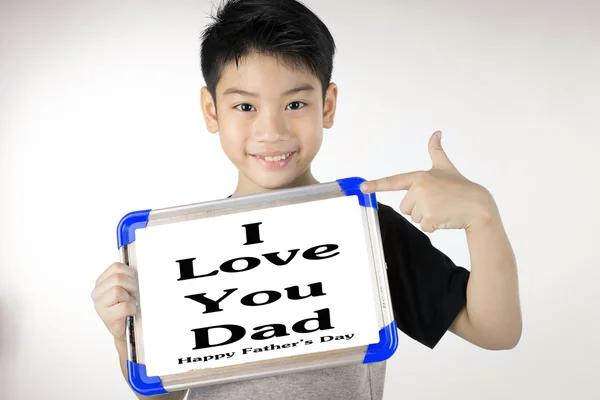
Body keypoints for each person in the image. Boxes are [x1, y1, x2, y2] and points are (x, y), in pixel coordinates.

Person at [91, 0, 522, 399]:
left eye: (295, 103)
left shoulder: (365, 229)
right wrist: (125, 336)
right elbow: (166, 392)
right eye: (245, 107)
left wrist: (481, 218)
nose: (271, 130)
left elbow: (496, 330)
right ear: (211, 111)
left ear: (327, 105)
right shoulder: (179, 252)